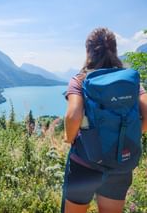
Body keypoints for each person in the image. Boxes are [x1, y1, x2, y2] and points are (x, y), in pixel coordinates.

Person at [61, 27, 147, 213]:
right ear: (115, 50)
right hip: (120, 163)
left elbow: (73, 115)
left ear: (88, 51)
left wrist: (68, 138)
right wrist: (126, 135)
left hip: (85, 163)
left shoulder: (81, 79)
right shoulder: (131, 81)